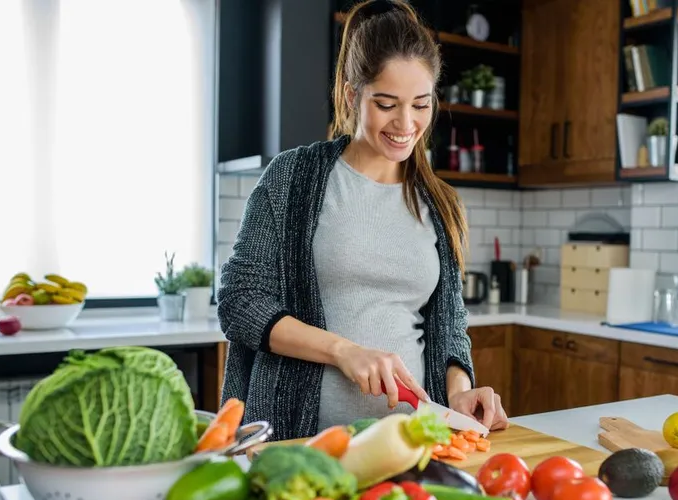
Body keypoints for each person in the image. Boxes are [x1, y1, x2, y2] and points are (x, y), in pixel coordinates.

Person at [216, 0, 509, 441]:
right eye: (387, 103)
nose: (406, 123)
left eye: (421, 105)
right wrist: (342, 352)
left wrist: (460, 391)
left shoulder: (439, 201)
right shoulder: (293, 178)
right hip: (299, 442)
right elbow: (239, 302)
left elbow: (449, 325)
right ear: (354, 96)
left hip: (408, 446)